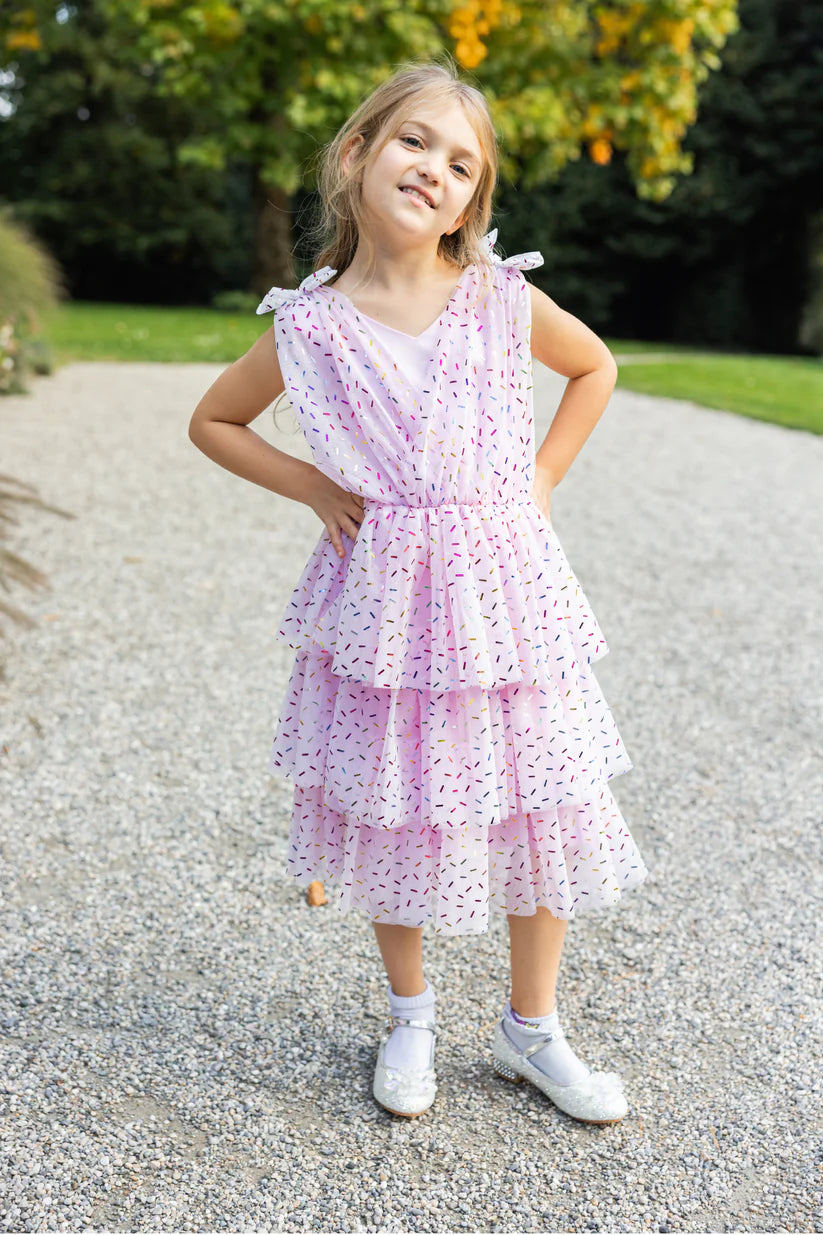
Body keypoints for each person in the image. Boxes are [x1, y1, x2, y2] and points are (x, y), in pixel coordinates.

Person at [188, 57, 649, 1126]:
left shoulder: (495, 296)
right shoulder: (308, 326)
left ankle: (532, 1024)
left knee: (537, 793)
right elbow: (212, 420)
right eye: (414, 142)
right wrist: (313, 485)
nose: (434, 169)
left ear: (468, 203)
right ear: (356, 154)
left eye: (461, 164)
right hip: (385, 599)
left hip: (505, 591)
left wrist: (539, 478)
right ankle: (411, 1015)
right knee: (395, 799)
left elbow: (595, 367)